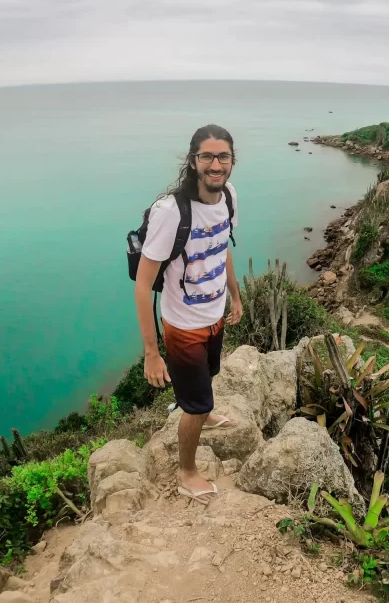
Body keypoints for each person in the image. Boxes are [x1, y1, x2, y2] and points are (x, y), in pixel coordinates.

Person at [134, 124, 243, 503]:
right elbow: (143, 284)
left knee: (209, 375)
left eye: (223, 156)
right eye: (207, 156)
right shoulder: (171, 212)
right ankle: (186, 472)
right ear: (194, 160)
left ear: (232, 160)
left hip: (214, 316)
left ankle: (202, 409)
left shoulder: (228, 197)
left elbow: (222, 246)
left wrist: (235, 295)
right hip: (182, 327)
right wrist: (151, 351)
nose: (216, 164)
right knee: (196, 405)